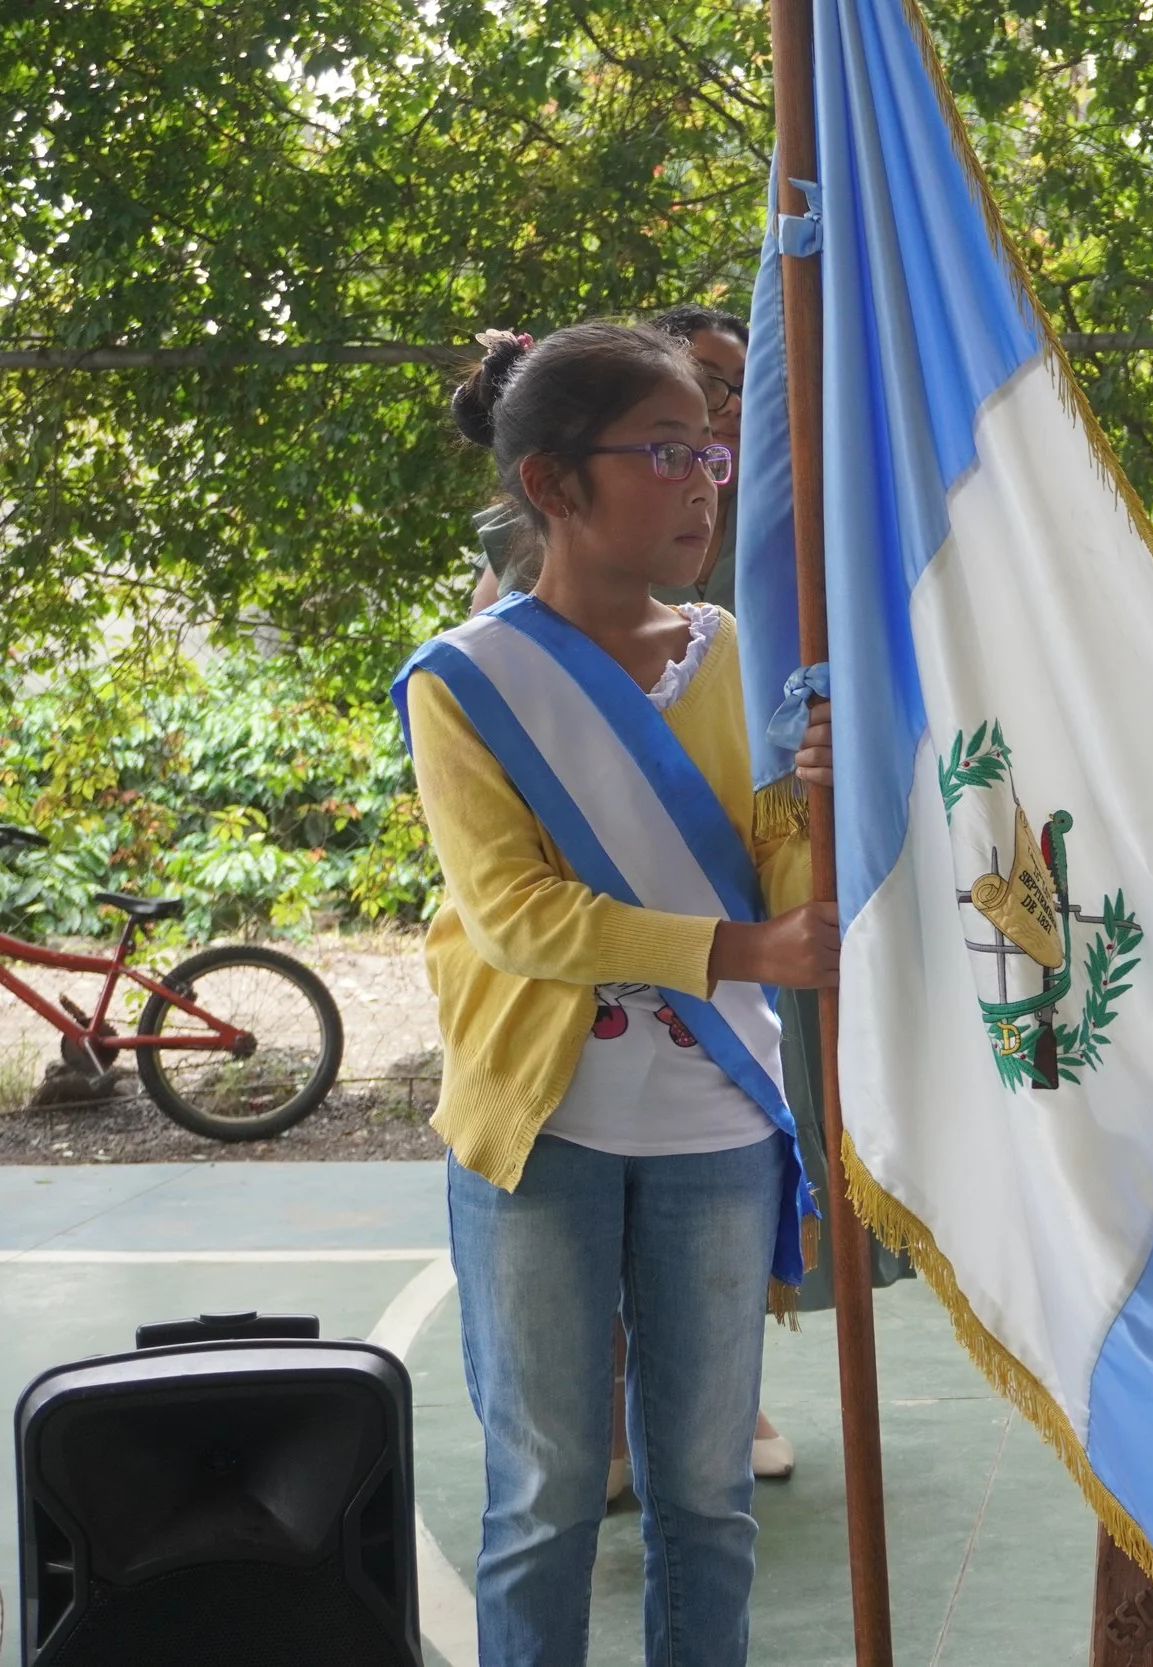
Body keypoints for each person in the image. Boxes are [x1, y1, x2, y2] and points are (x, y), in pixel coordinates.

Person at [403, 320, 839, 1664]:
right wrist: (739, 955)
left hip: (716, 1123)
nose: (706, 479)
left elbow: (782, 876)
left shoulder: (736, 652)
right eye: (666, 452)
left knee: (706, 1498)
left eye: (711, 448)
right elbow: (519, 914)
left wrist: (818, 791)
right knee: (542, 1497)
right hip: (544, 1132)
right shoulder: (470, 679)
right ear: (552, 483)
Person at [646, 304, 750, 611]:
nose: (735, 405)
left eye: (746, 387)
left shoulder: (792, 520)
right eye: (707, 383)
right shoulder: (577, 516)